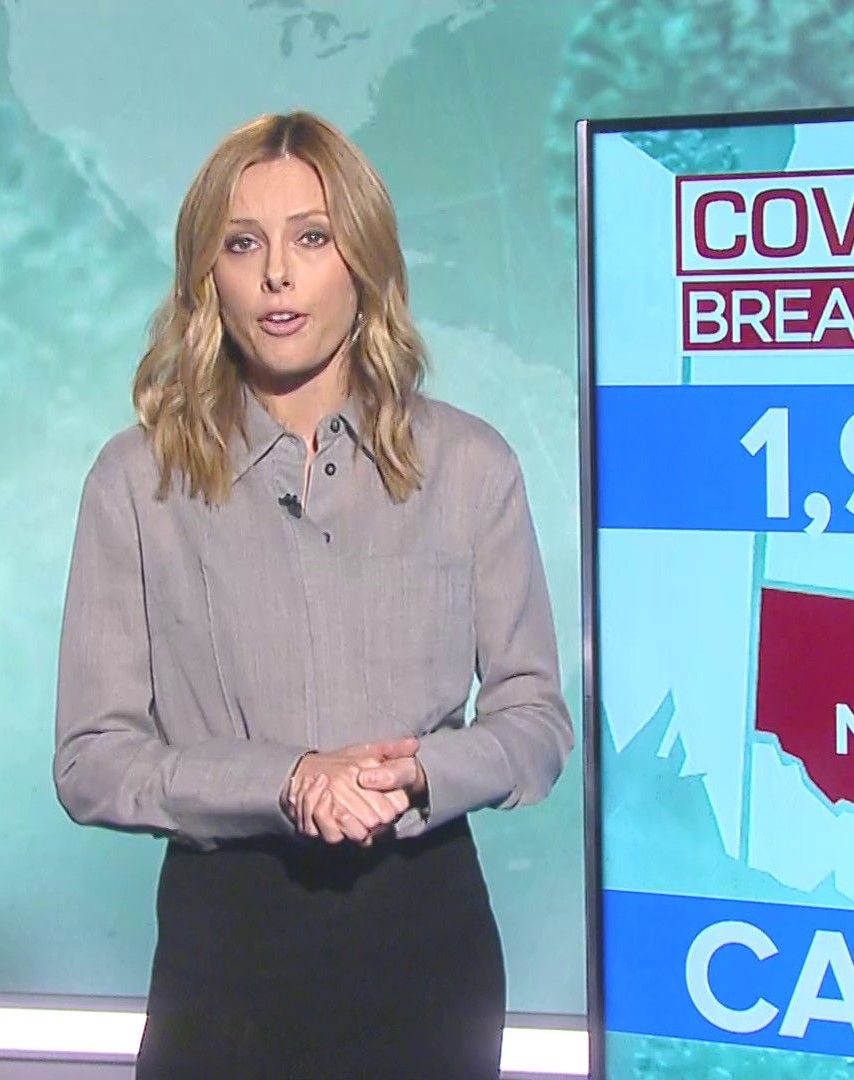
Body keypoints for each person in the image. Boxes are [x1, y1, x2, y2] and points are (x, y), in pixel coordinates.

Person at [51, 110, 573, 1079]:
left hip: (426, 944)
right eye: (243, 244)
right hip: (228, 957)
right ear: (207, 275)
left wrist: (416, 774)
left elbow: (536, 722)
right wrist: (287, 780)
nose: (277, 276)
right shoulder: (138, 480)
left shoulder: (470, 466)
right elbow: (92, 760)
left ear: (363, 261)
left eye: (313, 238)